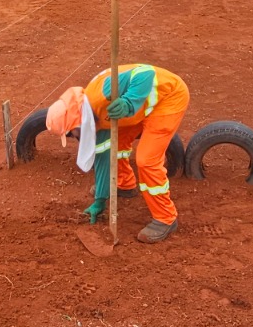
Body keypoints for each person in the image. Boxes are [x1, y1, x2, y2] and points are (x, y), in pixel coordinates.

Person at [46, 64, 189, 244]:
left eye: (70, 133)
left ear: (77, 121)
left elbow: (145, 73)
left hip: (168, 98)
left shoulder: (102, 95)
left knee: (146, 161)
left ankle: (165, 219)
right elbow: (104, 157)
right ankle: (124, 185)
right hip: (141, 108)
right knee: (117, 144)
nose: (73, 137)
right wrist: (101, 199)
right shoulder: (93, 120)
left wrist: (129, 102)